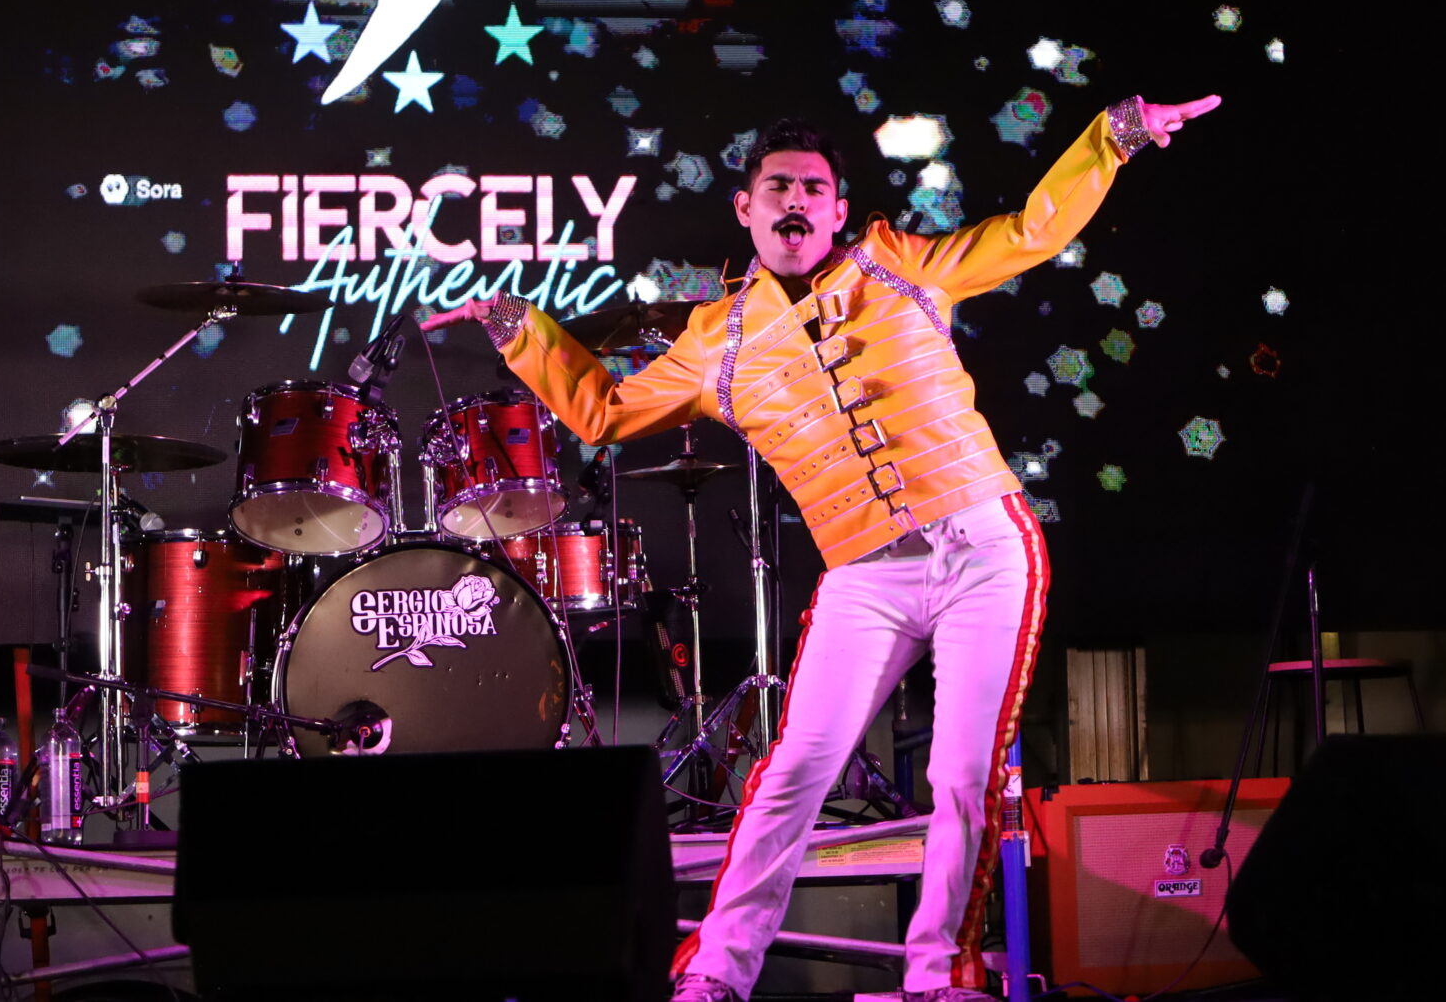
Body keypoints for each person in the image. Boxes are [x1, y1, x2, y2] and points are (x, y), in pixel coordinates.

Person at [424, 92, 1221, 1002]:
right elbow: (604, 410)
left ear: (839, 209)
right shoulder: (716, 340)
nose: (795, 199)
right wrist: (521, 330)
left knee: (962, 771)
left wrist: (1112, 138)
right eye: (778, 186)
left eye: (813, 187)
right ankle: (717, 971)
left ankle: (938, 973)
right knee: (795, 769)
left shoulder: (901, 264)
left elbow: (1031, 231)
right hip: (865, 576)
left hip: (983, 549)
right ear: (746, 208)